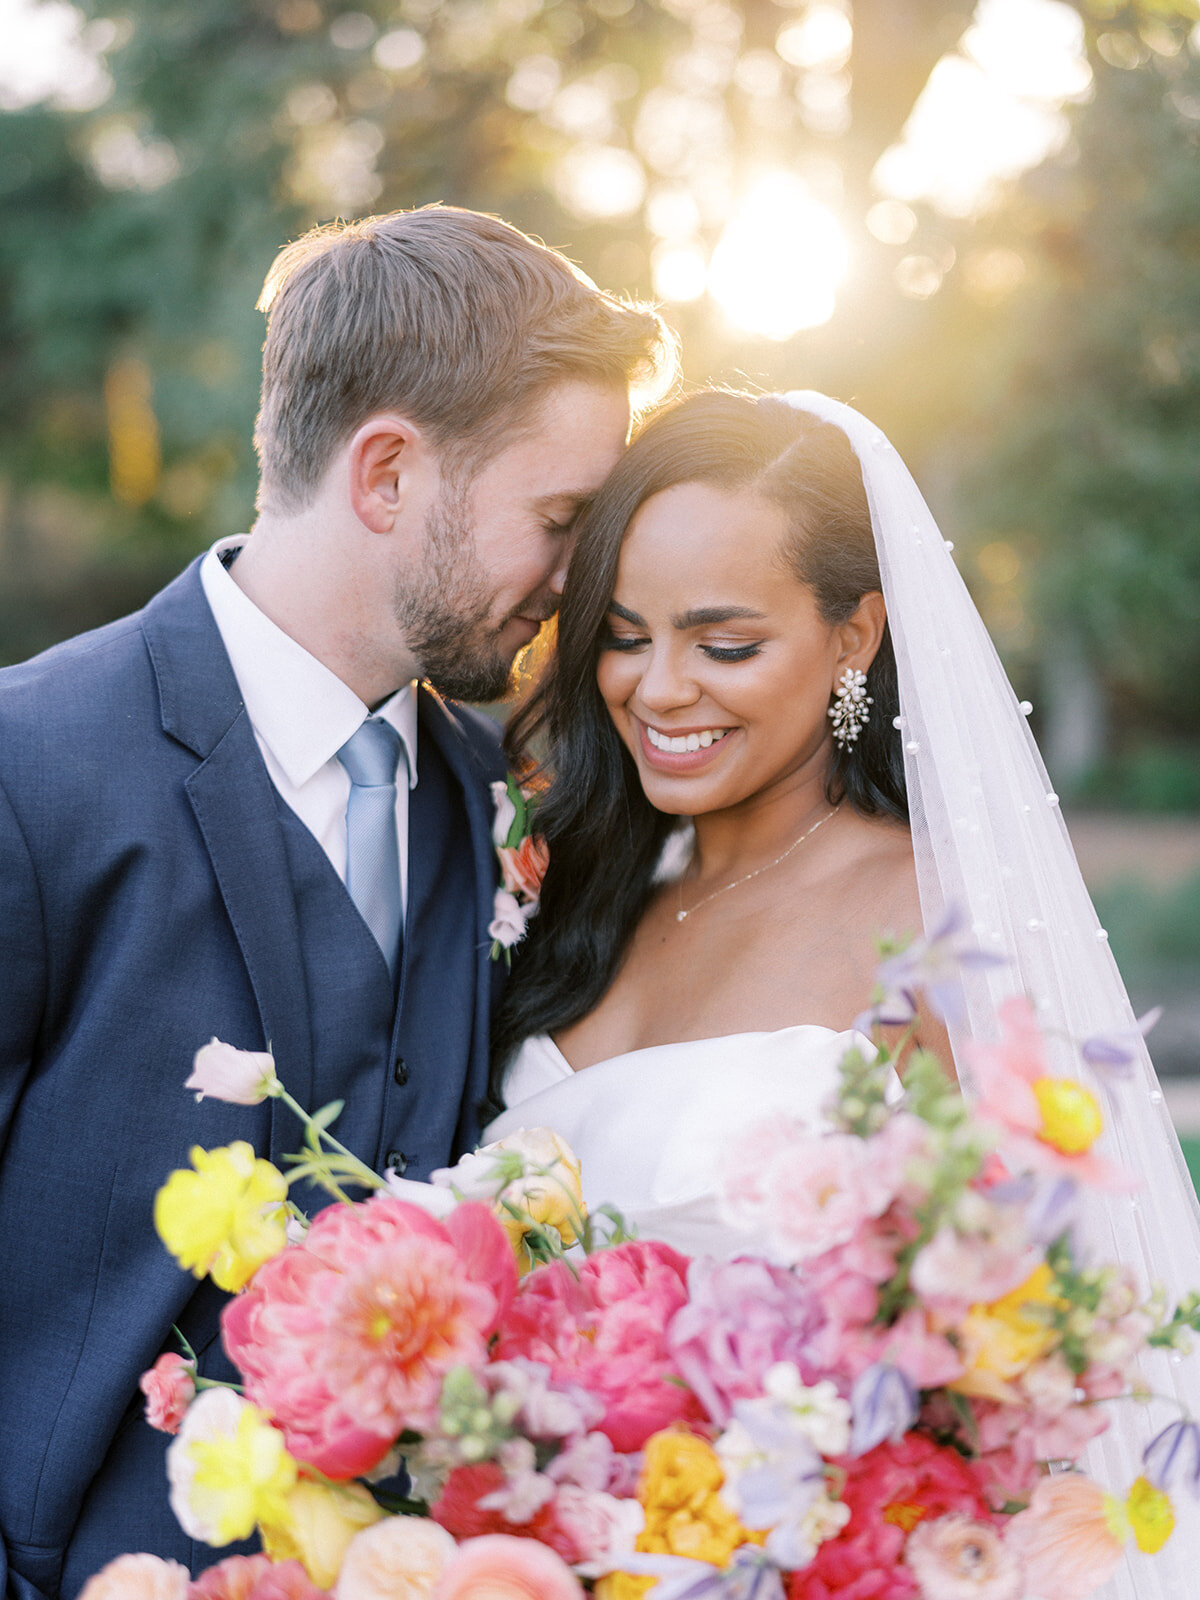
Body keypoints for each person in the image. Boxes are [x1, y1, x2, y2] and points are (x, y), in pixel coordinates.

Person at [0, 205, 670, 1599]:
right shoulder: (30, 769)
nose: (574, 586)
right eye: (557, 522)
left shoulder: (499, 794)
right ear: (386, 474)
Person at [487, 388, 1200, 1600]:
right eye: (622, 633)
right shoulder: (573, 890)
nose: (659, 690)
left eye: (723, 645)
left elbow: (1066, 1364)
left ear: (856, 634)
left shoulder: (937, 929)